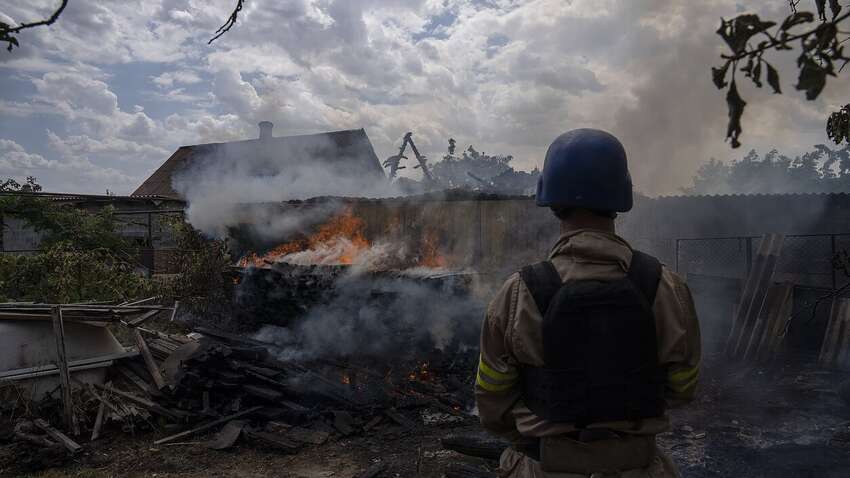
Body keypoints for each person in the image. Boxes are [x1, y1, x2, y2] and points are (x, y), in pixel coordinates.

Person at [475, 129, 700, 478]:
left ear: (549, 198)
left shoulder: (518, 292)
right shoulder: (667, 286)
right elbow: (683, 387)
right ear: (622, 196)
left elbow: (492, 404)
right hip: (639, 466)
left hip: (544, 467)